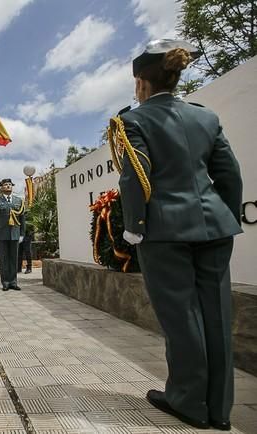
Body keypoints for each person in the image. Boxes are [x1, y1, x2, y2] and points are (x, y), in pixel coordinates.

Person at [116, 39, 243, 431]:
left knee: (181, 316)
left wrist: (134, 228)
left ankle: (188, 400)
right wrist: (221, 215)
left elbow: (135, 179)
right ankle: (219, 409)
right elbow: (229, 174)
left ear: (141, 83)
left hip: (166, 231)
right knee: (216, 316)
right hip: (214, 227)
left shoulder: (134, 121)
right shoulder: (205, 117)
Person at [0, 179, 26, 291]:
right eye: (6, 185)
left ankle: (13, 282)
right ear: (1, 187)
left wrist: (22, 234)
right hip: (2, 234)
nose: (8, 186)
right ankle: (5, 282)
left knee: (14, 258)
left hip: (15, 233)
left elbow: (22, 218)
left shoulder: (18, 200)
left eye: (10, 185)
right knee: (4, 259)